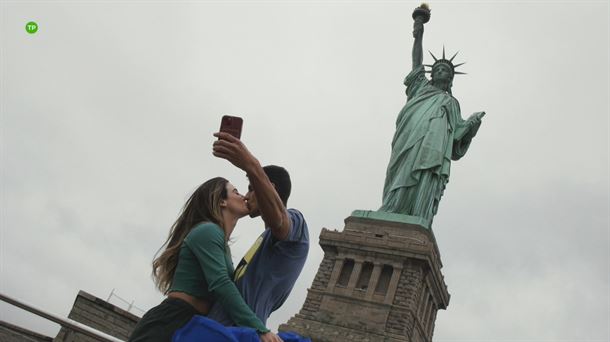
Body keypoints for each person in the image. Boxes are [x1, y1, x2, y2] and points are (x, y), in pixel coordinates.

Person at [128, 177, 283, 342]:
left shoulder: (223, 245)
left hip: (192, 322)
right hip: (171, 321)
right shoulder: (208, 231)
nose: (244, 196)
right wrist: (259, 329)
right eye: (236, 192)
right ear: (222, 201)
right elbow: (221, 284)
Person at [379, 8, 484, 225]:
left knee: (426, 176)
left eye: (446, 70)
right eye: (438, 68)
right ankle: (391, 208)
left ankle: (418, 216)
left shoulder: (451, 103)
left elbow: (456, 139)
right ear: (431, 73)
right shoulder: (420, 87)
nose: (441, 71)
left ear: (451, 78)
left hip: (433, 151)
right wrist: (419, 34)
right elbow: (417, 62)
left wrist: (471, 128)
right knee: (401, 172)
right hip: (409, 138)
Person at [209, 132, 309, 326]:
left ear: (268, 187)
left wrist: (251, 165)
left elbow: (280, 222)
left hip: (236, 334)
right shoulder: (267, 238)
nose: (246, 196)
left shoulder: (296, 221)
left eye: (250, 188)